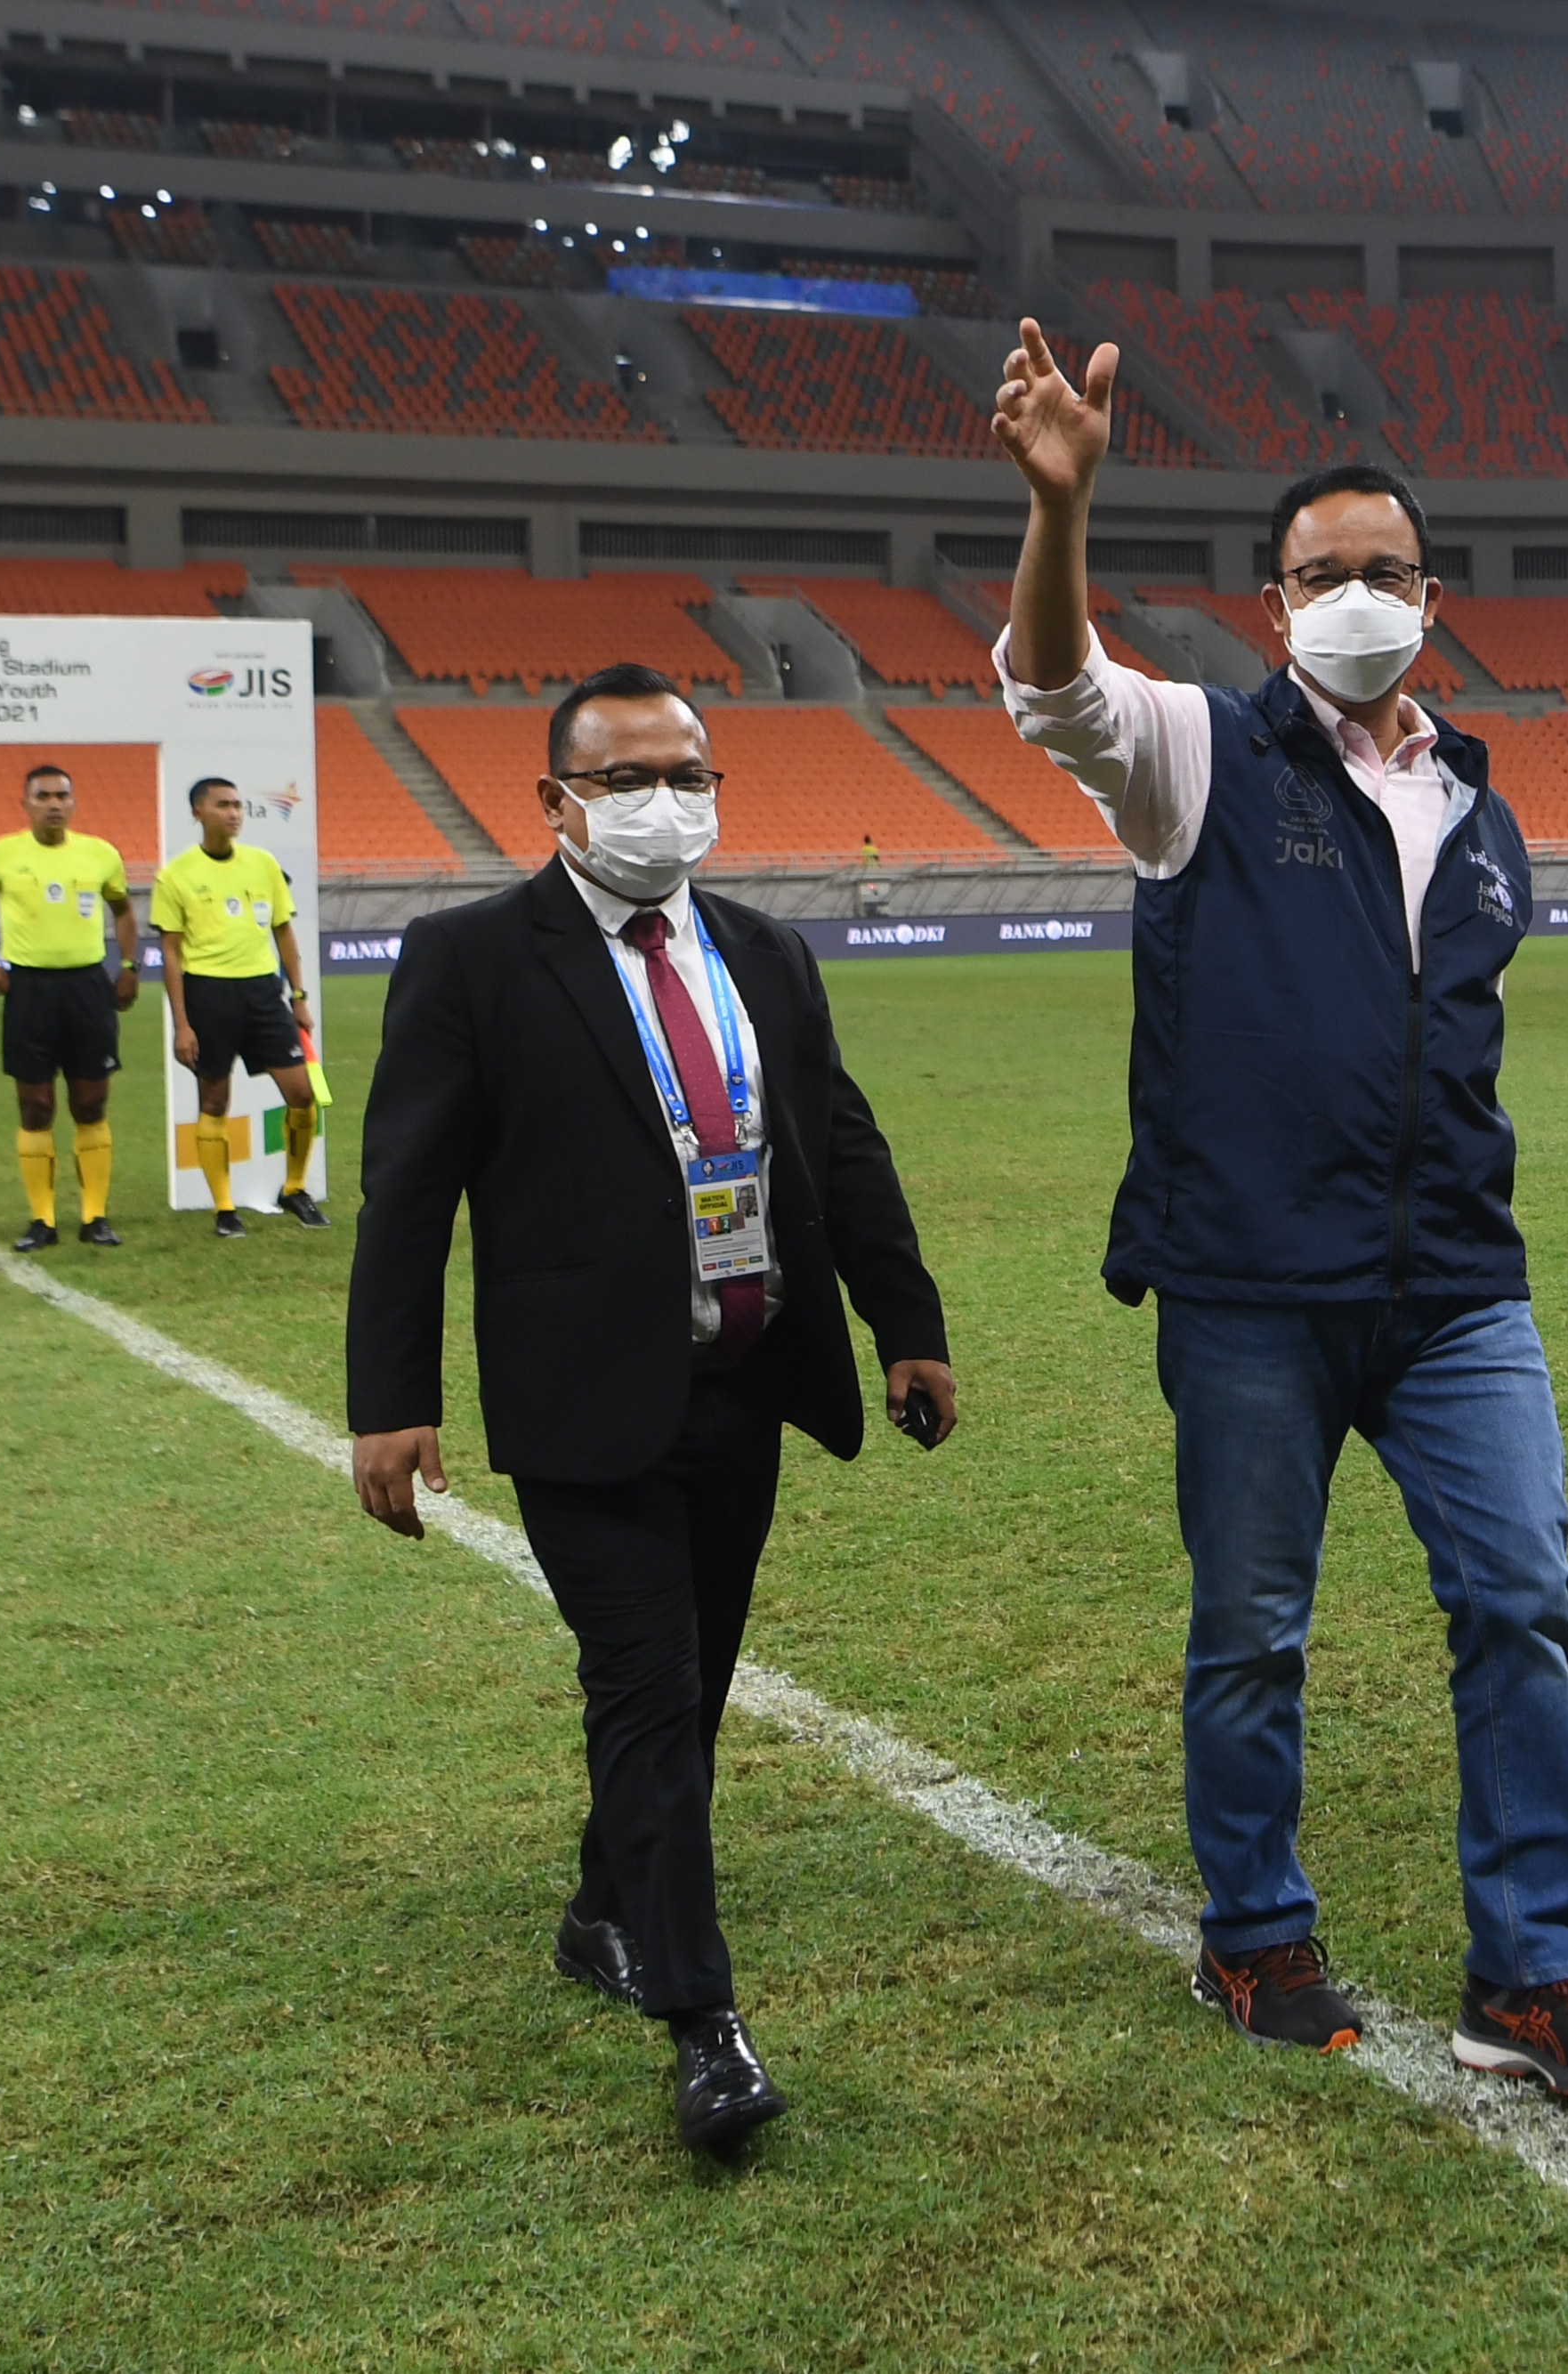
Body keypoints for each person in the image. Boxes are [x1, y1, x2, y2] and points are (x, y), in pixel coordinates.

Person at [992, 321, 1568, 2100]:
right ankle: (1252, 1932)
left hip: (1455, 1283)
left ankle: (1527, 1972)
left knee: (1519, 1596)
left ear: (1428, 595)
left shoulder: (1480, 804)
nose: (1353, 594)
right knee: (1253, 1627)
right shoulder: (1202, 757)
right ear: (1267, 599)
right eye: (1321, 574)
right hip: (1246, 1284)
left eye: (1383, 569)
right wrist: (1062, 508)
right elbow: (1057, 689)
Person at [345, 660, 955, 2157]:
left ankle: (601, 1907)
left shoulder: (767, 951)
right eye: (623, 780)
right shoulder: (472, 959)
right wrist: (389, 1398)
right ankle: (704, 2023)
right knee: (646, 1685)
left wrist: (907, 1323)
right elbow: (406, 1197)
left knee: (688, 1689)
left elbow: (841, 1147)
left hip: (740, 1383)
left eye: (686, 774)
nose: (661, 804)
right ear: (552, 799)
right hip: (579, 1403)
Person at [0, 762, 141, 1252]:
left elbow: (123, 909)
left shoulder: (100, 854)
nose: (54, 804)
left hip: (87, 986)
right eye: (43, 796)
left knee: (90, 1101)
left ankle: (95, 1217)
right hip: (29, 989)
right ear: (25, 804)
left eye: (62, 795)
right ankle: (41, 1220)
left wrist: (128, 965)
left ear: (74, 802)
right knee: (35, 1105)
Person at [153, 777, 323, 1237]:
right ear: (198, 812)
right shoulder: (176, 874)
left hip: (263, 994)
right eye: (222, 805)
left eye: (238, 805)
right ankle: (224, 1207)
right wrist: (182, 1024)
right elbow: (170, 950)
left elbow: (284, 931)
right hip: (208, 993)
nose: (233, 813)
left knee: (302, 1094)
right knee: (213, 1099)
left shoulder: (264, 864)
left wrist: (299, 997)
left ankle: (294, 1188)